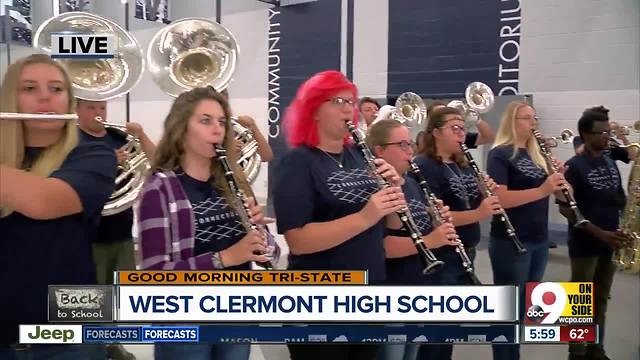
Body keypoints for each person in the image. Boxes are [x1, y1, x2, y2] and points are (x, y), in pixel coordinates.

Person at [135, 87, 278, 360]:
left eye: (222, 122)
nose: (218, 130)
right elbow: (153, 273)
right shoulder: (160, 188)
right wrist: (224, 258)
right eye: (205, 120)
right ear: (181, 129)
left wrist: (262, 237)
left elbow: (270, 252)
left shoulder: (233, 179)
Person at [273, 70, 406, 360]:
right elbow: (298, 240)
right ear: (314, 109)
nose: (348, 109)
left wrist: (395, 193)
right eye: (338, 101)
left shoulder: (360, 155)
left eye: (351, 101)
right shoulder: (298, 162)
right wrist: (365, 216)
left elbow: (391, 225)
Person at [0, 54, 115, 358]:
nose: (44, 96)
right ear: (10, 97)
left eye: (56, 88)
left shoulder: (95, 153)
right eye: (28, 89)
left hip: (71, 322)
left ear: (69, 100)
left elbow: (43, 201)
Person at [412, 106, 502, 359]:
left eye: (463, 128)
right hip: (443, 255)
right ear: (436, 132)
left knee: (450, 326)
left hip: (466, 251)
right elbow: (436, 215)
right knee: (436, 329)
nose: (462, 134)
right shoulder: (424, 166)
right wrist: (480, 213)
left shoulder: (463, 163)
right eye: (455, 128)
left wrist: (486, 192)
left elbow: (470, 201)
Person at [366, 119, 459, 360]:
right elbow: (381, 247)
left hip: (419, 285)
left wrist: (436, 220)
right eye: (403, 144)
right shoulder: (374, 188)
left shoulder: (412, 182)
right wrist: (432, 240)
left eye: (411, 144)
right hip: (392, 290)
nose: (411, 151)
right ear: (380, 151)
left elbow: (418, 229)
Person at [486, 101, 567, 360]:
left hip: (538, 239)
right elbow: (500, 199)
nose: (533, 123)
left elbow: (560, 196)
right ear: (513, 122)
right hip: (511, 240)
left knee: (523, 309)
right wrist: (542, 190)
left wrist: (560, 181)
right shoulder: (500, 153)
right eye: (526, 118)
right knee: (507, 309)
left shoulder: (538, 155)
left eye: (535, 118)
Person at [76, 98, 155, 360]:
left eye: (102, 108)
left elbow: (156, 164)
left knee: (118, 296)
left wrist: (141, 135)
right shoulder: (72, 140)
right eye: (91, 108)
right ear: (76, 110)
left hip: (121, 229)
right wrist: (108, 161)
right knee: (90, 298)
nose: (99, 113)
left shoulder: (117, 136)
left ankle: (111, 344)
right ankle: (89, 349)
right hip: (88, 233)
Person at [563, 106, 631, 360]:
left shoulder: (609, 160)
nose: (607, 137)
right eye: (601, 133)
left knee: (602, 297)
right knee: (581, 301)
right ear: (585, 134)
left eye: (608, 131)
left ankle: (596, 348)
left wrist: (624, 222)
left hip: (611, 240)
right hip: (585, 244)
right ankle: (577, 352)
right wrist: (600, 233)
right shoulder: (573, 166)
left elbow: (617, 197)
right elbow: (569, 211)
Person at [220, 88, 274, 162]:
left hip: (239, 173)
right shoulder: (201, 130)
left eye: (224, 104)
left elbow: (266, 156)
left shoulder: (236, 127)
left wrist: (253, 127)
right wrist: (225, 149)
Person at [426, 100, 495, 149]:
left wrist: (477, 120)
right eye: (439, 114)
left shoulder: (458, 135)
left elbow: (489, 138)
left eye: (446, 112)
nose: (445, 115)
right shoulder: (424, 138)